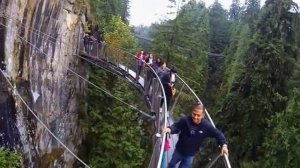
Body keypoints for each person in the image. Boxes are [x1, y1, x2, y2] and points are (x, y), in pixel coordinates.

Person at [163, 104, 229, 168]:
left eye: (198, 115)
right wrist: (170, 129)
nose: (195, 117)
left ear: (203, 115)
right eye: (194, 114)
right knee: (171, 164)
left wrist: (224, 145)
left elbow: (218, 134)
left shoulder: (206, 126)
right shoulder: (185, 120)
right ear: (192, 112)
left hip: (190, 155)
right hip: (179, 150)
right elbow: (177, 126)